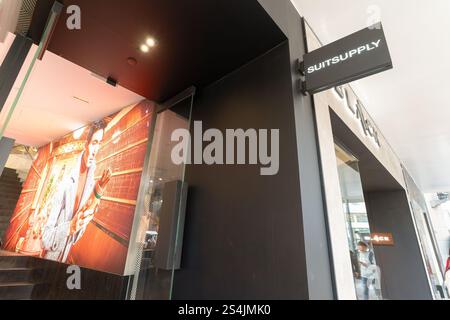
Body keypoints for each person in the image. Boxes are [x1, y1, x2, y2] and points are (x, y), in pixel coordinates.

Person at [41, 121, 112, 263]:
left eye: (99, 143)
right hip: (48, 260)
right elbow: (46, 238)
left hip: (64, 258)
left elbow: (75, 236)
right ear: (86, 144)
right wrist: (69, 227)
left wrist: (98, 192)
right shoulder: (66, 181)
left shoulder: (90, 182)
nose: (96, 149)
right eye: (94, 143)